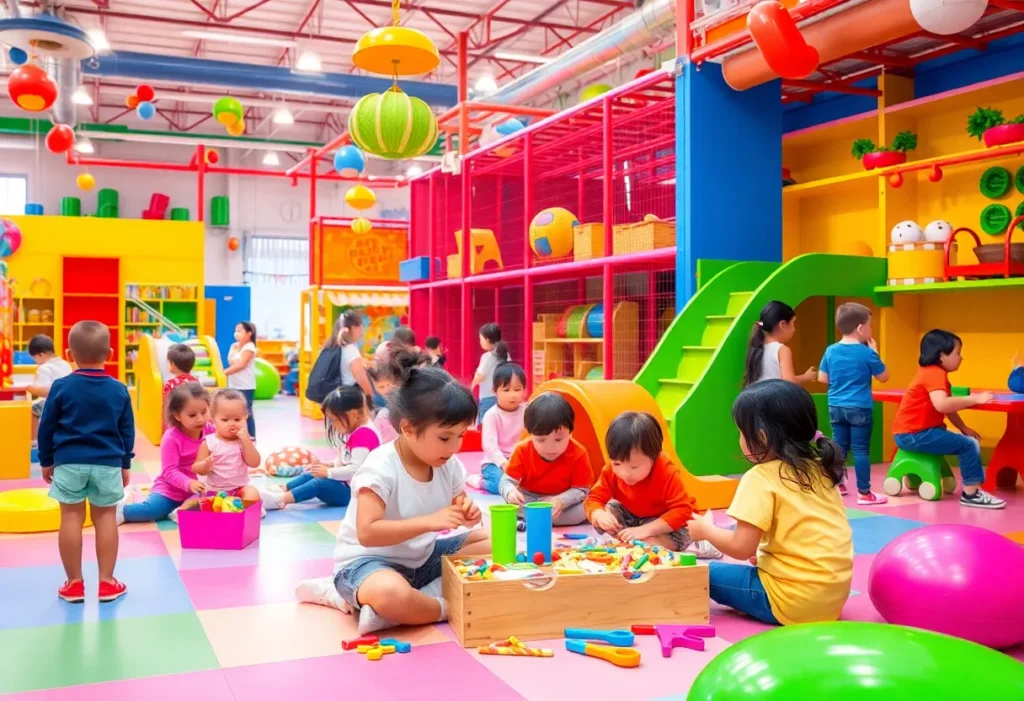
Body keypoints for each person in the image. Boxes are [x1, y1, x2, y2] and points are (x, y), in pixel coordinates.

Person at [294, 350, 490, 634]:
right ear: (408, 429)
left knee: (494, 541)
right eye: (445, 437)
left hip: (421, 559)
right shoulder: (380, 467)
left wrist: (469, 513)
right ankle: (443, 606)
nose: (455, 447)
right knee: (390, 594)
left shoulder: (447, 463)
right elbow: (368, 533)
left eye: (461, 436)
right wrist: (429, 522)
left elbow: (461, 506)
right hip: (366, 563)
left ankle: (401, 609)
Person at [686, 380, 853, 626]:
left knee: (698, 572)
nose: (740, 439)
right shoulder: (821, 467)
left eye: (742, 432)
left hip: (791, 602)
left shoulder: (760, 477)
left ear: (761, 436)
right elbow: (808, 531)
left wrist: (704, 530)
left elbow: (741, 548)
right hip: (832, 599)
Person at [38, 321, 133, 603]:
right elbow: (126, 431)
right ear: (110, 353)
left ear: (69, 354)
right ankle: (107, 583)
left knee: (70, 518)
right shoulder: (119, 389)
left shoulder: (60, 387)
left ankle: (74, 584)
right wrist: (125, 463)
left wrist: (47, 460)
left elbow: (47, 427)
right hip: (107, 463)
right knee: (106, 518)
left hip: (69, 462)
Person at [890, 329, 1004, 509]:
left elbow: (948, 408)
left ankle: (970, 490)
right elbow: (942, 405)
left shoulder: (932, 372)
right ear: (942, 355)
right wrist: (975, 399)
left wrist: (963, 427)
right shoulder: (934, 373)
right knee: (968, 445)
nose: (961, 358)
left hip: (911, 433)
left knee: (967, 440)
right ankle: (972, 494)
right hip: (915, 434)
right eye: (957, 353)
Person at [584, 412, 719, 556]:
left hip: (668, 522)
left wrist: (646, 530)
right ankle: (631, 537)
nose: (624, 473)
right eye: (617, 464)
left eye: (634, 467)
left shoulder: (666, 471)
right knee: (610, 509)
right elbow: (593, 499)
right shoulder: (611, 470)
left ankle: (700, 541)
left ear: (653, 457)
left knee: (651, 544)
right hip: (635, 517)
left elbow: (682, 511)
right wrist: (598, 515)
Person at [261, 386, 381, 510]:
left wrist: (328, 472)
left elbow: (356, 469)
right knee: (313, 473)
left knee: (318, 483)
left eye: (334, 420)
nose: (333, 425)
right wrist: (329, 464)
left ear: (353, 415)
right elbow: (346, 459)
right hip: (347, 483)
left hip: (357, 492)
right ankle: (283, 489)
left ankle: (281, 500)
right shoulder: (355, 429)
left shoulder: (364, 434)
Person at [817, 302, 890, 503]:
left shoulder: (830, 350)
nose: (871, 330)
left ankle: (837, 485)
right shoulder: (867, 353)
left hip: (835, 406)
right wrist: (875, 353)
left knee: (839, 447)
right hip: (859, 407)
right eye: (870, 326)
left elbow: (822, 378)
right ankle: (865, 493)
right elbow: (884, 377)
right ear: (860, 328)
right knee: (860, 450)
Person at [118, 383, 213, 524]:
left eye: (204, 412)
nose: (200, 419)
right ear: (177, 415)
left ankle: (179, 511)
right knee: (150, 511)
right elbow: (169, 471)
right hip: (171, 491)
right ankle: (122, 506)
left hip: (200, 491)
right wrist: (189, 483)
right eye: (192, 415)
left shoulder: (211, 430)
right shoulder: (172, 437)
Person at [497, 392, 592, 528]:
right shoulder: (523, 450)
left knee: (588, 506)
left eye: (558, 439)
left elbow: (581, 490)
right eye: (541, 440)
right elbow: (506, 482)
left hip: (563, 503)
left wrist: (560, 500)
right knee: (512, 505)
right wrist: (511, 493)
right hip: (530, 500)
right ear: (530, 434)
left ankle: (536, 518)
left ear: (570, 432)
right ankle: (539, 516)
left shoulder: (578, 453)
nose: (550, 447)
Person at [192, 389, 261, 503]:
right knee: (196, 502)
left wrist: (246, 441)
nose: (232, 423)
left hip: (239, 490)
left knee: (252, 492)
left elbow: (255, 463)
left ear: (245, 417)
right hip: (214, 492)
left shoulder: (244, 441)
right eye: (225, 420)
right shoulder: (209, 442)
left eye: (237, 419)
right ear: (213, 420)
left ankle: (240, 510)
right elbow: (195, 467)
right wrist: (203, 466)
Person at [469, 362, 527, 495]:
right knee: (501, 485)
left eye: (517, 389)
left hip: (519, 460)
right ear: (495, 390)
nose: (513, 395)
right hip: (494, 463)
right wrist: (504, 464)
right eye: (506, 390)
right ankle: (479, 481)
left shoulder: (527, 411)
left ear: (524, 389)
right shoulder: (491, 415)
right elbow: (490, 446)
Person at [743, 301, 815, 387]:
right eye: (793, 323)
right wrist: (806, 377)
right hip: (774, 394)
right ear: (783, 325)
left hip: (756, 394)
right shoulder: (782, 350)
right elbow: (789, 382)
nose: (794, 329)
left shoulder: (756, 346)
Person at [25, 334, 72, 444]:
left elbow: (46, 391)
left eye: (35, 358)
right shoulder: (65, 364)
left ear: (41, 354)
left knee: (33, 409)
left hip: (56, 403)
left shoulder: (44, 368)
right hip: (68, 401)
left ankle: (33, 440)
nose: (36, 362)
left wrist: (31, 389)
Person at [224, 321, 258, 438]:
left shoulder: (250, 347)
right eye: (236, 331)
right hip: (233, 384)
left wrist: (225, 372)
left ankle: (251, 436)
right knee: (234, 411)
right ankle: (235, 435)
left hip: (245, 385)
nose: (236, 333)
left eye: (240, 331)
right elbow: (232, 362)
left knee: (246, 412)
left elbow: (242, 364)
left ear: (249, 333)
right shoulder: (234, 346)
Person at [471, 322, 510, 423]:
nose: (480, 341)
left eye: (480, 338)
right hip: (503, 396)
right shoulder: (505, 355)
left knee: (485, 425)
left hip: (488, 397)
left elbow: (480, 376)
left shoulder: (487, 356)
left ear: (487, 340)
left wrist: (472, 384)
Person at [329, 311, 374, 397]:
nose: (362, 332)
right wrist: (370, 396)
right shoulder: (350, 349)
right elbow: (361, 378)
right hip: (348, 396)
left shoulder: (332, 346)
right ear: (354, 328)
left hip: (336, 395)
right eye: (361, 327)